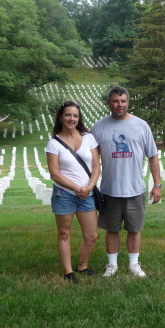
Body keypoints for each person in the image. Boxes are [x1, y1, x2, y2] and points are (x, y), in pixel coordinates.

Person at [91, 86, 162, 278]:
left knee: (134, 228)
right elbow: (91, 159)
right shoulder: (99, 127)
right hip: (109, 189)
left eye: (123, 101)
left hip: (134, 188)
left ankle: (133, 264)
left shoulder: (141, 125)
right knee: (111, 229)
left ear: (128, 102)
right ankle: (112, 265)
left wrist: (157, 185)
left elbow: (153, 156)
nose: (119, 105)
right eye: (115, 101)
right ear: (109, 103)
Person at [46, 101, 100, 284]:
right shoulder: (54, 143)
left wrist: (90, 187)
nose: (72, 119)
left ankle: (83, 266)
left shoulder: (88, 138)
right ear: (61, 117)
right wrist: (77, 188)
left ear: (79, 118)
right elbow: (54, 173)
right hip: (65, 195)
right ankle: (68, 272)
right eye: (68, 115)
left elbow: (96, 166)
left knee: (91, 236)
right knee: (64, 234)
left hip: (87, 195)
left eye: (75, 115)